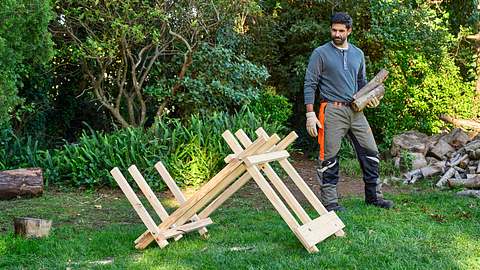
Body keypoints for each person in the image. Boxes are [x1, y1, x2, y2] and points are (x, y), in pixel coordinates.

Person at [303, 12, 394, 212]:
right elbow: (310, 84)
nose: (336, 34)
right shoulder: (320, 53)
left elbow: (362, 83)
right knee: (329, 157)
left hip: (356, 111)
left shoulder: (358, 54)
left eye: (341, 31)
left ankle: (374, 197)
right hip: (331, 111)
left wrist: (371, 99)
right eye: (334, 30)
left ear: (349, 31)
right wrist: (310, 114)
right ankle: (330, 202)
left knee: (371, 152)